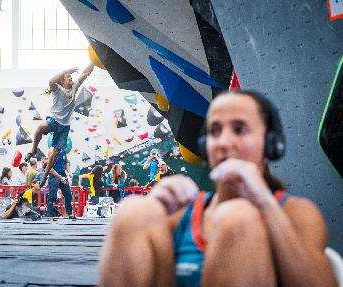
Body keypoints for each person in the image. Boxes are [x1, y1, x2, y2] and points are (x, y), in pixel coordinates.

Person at [99, 90, 338, 287]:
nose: (223, 142)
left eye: (240, 129)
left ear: (270, 144)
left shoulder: (295, 213)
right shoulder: (185, 215)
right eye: (215, 131)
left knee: (237, 216)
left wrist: (265, 206)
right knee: (134, 211)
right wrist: (157, 208)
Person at [24, 63, 95, 188]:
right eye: (68, 77)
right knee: (41, 127)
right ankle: (34, 149)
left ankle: (45, 176)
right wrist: (66, 70)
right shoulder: (58, 89)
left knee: (56, 152)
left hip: (64, 127)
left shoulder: (74, 87)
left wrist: (94, 60)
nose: (71, 78)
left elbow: (86, 73)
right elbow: (51, 81)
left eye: (70, 76)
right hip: (54, 120)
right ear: (62, 81)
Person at [47, 148, 75, 218]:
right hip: (54, 174)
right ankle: (50, 215)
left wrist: (68, 173)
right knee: (52, 196)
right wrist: (60, 177)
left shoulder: (64, 150)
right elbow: (50, 168)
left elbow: (65, 162)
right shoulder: (51, 151)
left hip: (63, 173)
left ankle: (69, 213)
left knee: (68, 194)